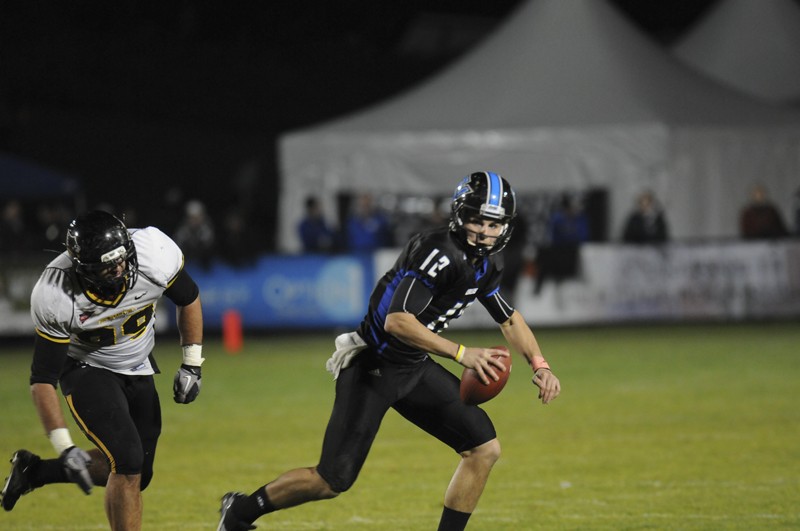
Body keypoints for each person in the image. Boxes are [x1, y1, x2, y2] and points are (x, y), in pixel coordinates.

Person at [216, 171, 561, 531]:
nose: (483, 231)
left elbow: (508, 319)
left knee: (484, 449)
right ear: (460, 215)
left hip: (413, 366)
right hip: (374, 365)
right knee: (331, 480)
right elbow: (398, 321)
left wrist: (540, 364)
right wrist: (461, 354)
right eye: (477, 220)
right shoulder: (439, 252)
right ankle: (240, 511)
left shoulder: (488, 263)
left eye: (493, 223)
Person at [0, 210, 205, 531]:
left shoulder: (153, 252)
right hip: (86, 367)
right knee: (127, 462)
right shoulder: (56, 292)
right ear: (83, 267)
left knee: (140, 473)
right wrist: (64, 446)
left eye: (123, 259)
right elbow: (42, 380)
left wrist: (192, 363)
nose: (120, 269)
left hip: (137, 365)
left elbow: (189, 298)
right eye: (109, 266)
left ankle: (35, 472)